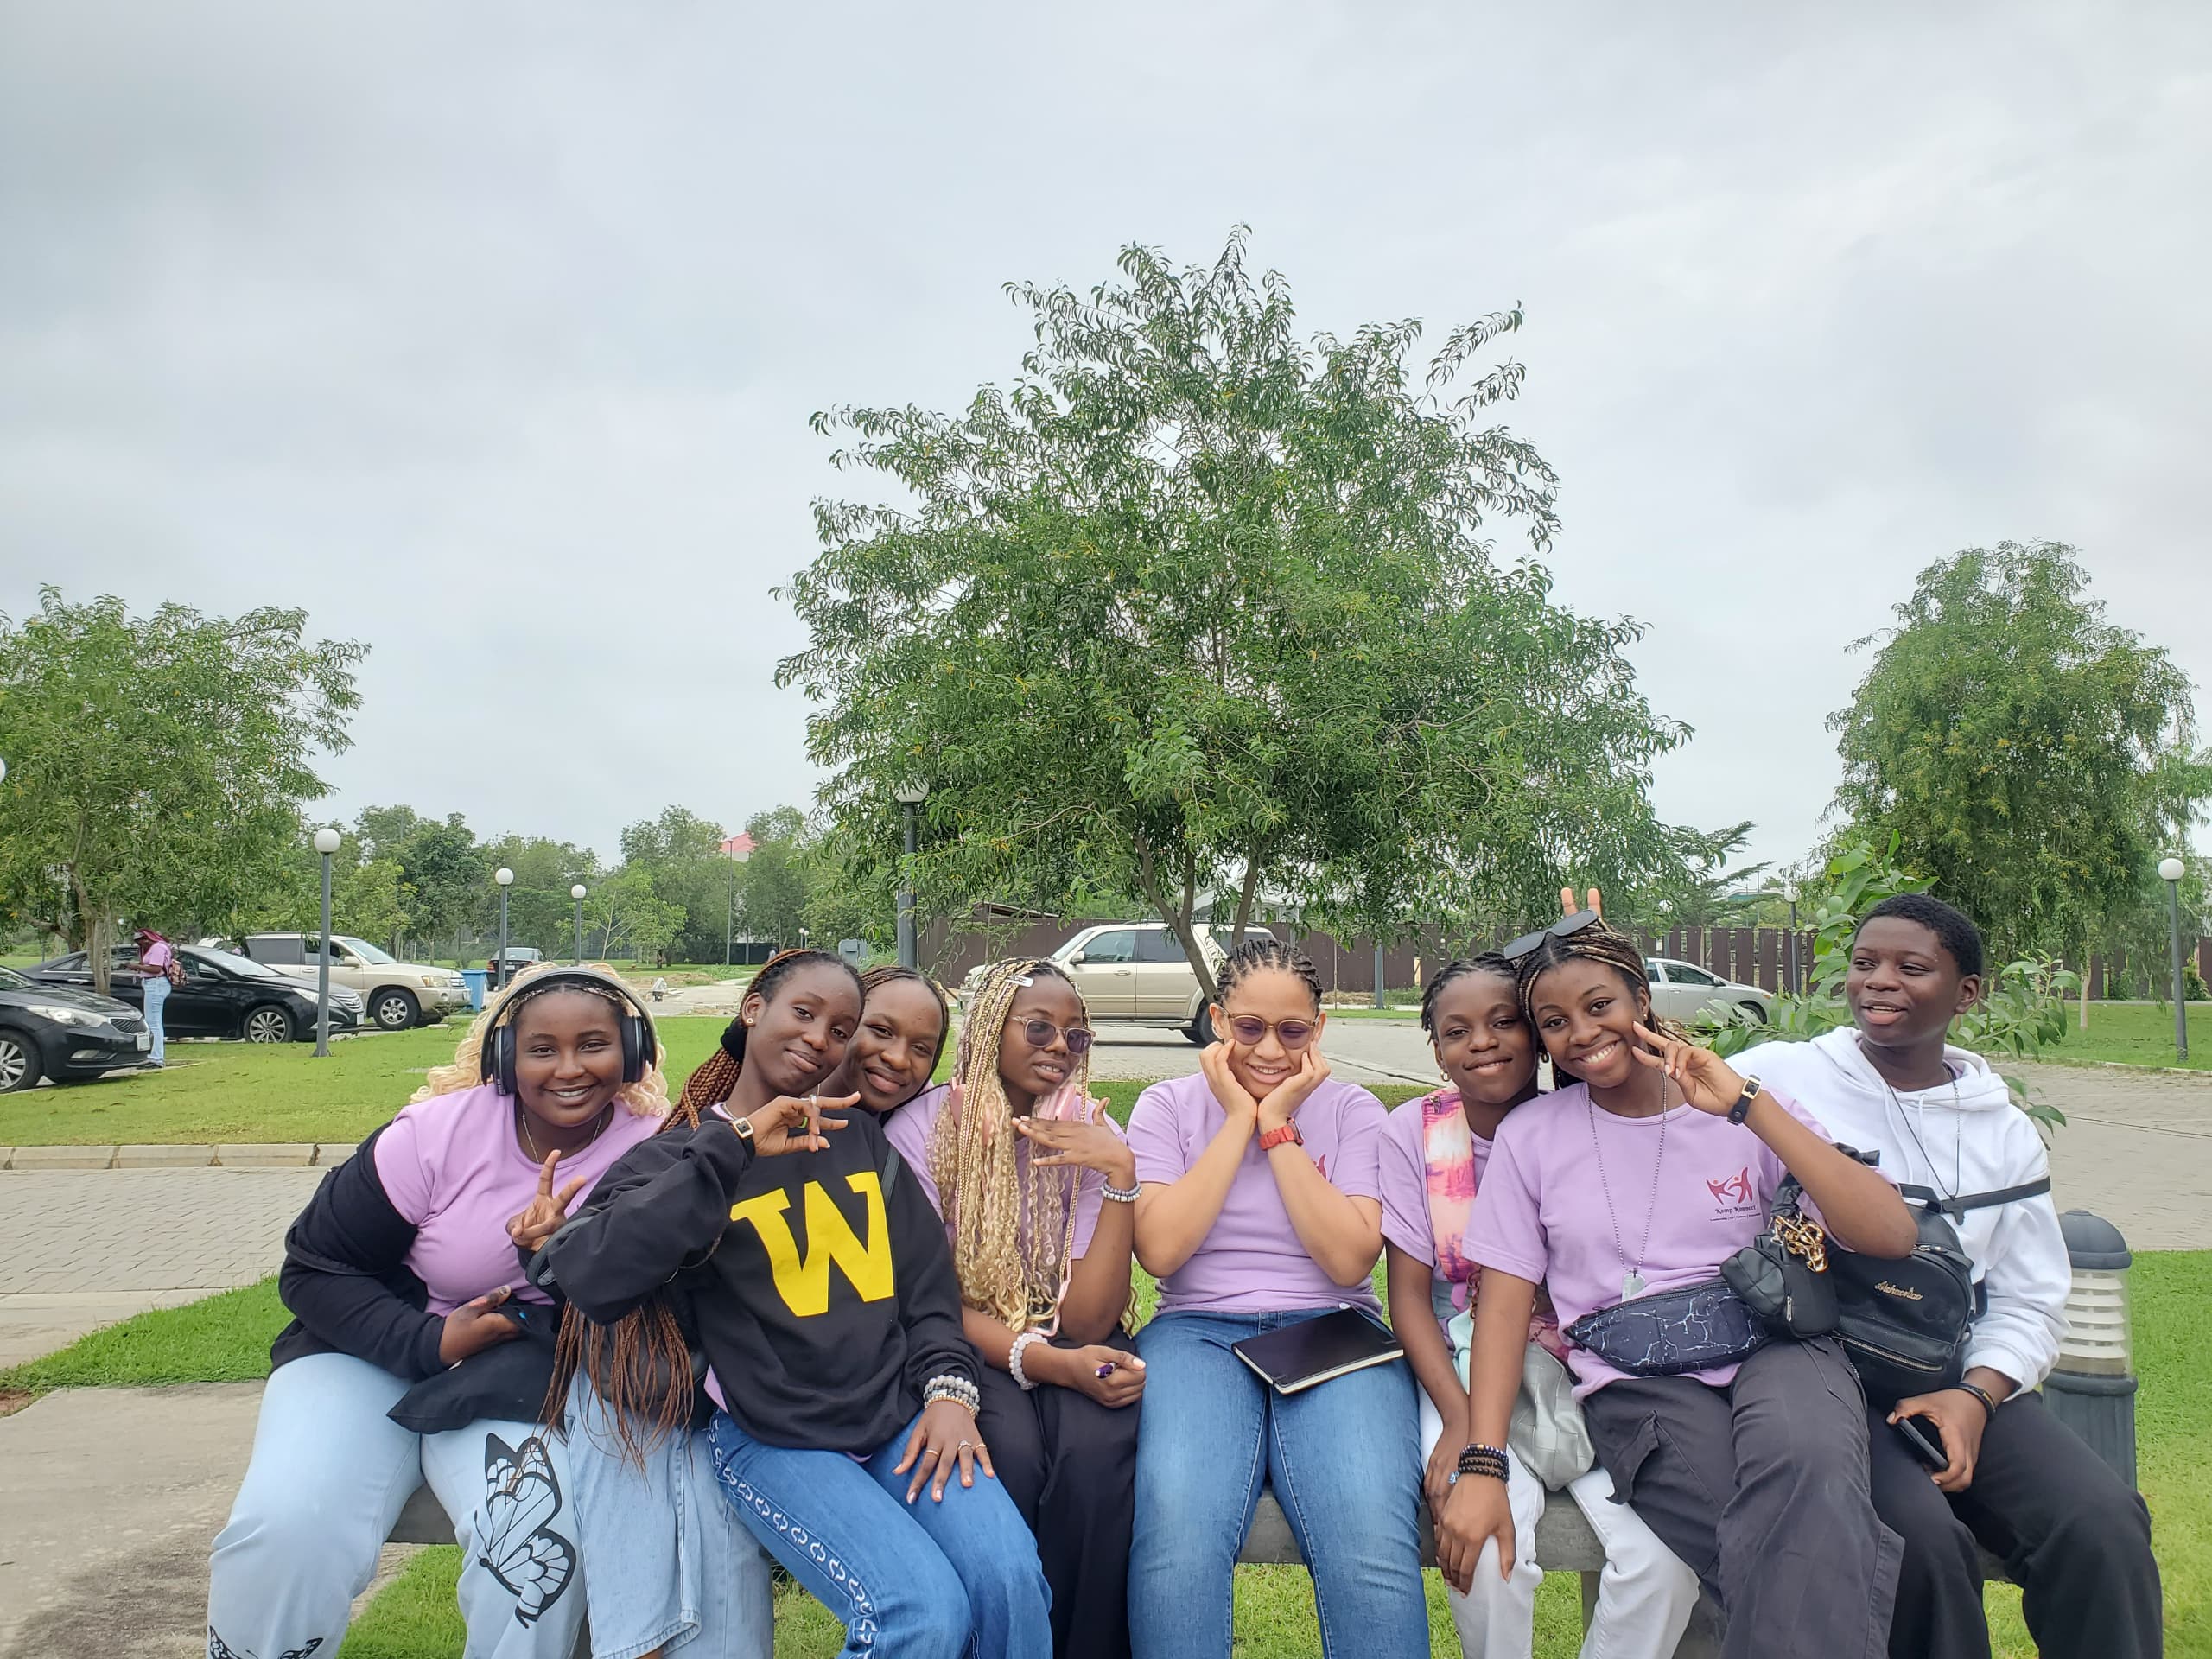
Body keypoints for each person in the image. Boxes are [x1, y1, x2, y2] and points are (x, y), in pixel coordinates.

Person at [534, 949, 1051, 1659]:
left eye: (841, 1029)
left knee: (1012, 1579)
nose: (819, 1038)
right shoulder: (682, 1155)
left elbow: (928, 1299)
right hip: (773, 1438)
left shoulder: (865, 1141)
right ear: (754, 1010)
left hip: (895, 1422)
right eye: (803, 1013)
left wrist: (951, 1398)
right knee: (920, 1614)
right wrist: (734, 1146)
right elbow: (588, 1272)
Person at [1438, 912, 1919, 1659]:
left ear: (1641, 999)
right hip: (1636, 1379)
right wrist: (1483, 1461)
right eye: (1554, 1021)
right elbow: (1501, 1307)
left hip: (1777, 1341)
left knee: (1815, 1475)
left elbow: (1889, 1235)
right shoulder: (1534, 1138)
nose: (1583, 1033)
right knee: (1784, 1534)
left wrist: (1746, 1106)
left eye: (1601, 1005)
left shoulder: (1736, 1104)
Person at [1736, 893, 2161, 1659]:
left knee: (2101, 1523)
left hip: (1954, 1377)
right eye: (1864, 964)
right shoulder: (1782, 1075)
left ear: (1967, 993)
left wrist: (1976, 1396)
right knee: (1920, 1547)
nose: (1879, 982)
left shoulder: (2004, 1134)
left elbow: (2032, 1296)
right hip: (1826, 1380)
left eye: (1911, 967)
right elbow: (1643, 1095)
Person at [206, 963, 668, 1659]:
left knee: (536, 1543)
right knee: (286, 1527)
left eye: (594, 1044)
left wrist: (561, 1258)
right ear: (506, 1054)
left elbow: (651, 1310)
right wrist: (430, 1340)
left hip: (513, 1376)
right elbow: (315, 1268)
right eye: (542, 1049)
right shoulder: (432, 1135)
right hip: (360, 1354)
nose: (569, 1069)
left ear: (632, 1050)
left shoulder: (654, 1150)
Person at [1381, 954, 1698, 1658]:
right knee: (1484, 1539)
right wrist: (1461, 1422)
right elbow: (1409, 1301)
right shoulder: (1418, 1134)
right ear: (1436, 1049)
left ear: (1539, 1034)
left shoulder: (1589, 1119)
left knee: (1664, 1559)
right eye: (1457, 1031)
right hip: (1465, 1366)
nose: (1485, 1042)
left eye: (1506, 1022)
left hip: (1595, 1367)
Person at [1125, 938, 1429, 1659]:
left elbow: (1350, 1257)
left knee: (1367, 1529)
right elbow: (1162, 1251)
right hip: (1196, 1328)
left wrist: (1279, 1126)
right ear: (1218, 1020)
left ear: (1317, 1031)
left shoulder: (1354, 1111)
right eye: (1248, 1027)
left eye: (1291, 1031)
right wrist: (1236, 1120)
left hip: (1334, 1329)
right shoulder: (1166, 1106)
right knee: (1177, 1525)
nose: (1268, 1049)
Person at [884, 957, 1144, 1659]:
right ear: (992, 1029)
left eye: (1076, 1036)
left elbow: (1089, 1322)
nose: (1059, 1046)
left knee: (1095, 1461)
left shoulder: (1091, 1133)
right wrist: (1047, 1363)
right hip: (961, 1341)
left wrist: (1117, 1171)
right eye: (1039, 1027)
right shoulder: (923, 1130)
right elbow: (927, 1298)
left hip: (1070, 1331)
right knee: (1012, 1459)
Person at [831, 964, 954, 1116]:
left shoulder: (925, 1127)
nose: (898, 1060)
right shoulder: (794, 1099)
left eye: (920, 1048)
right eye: (882, 1031)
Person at [133, 927, 175, 1065]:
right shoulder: (153, 948)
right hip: (153, 984)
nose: (140, 945)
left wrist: (137, 967)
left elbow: (156, 969)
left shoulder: (158, 947)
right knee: (153, 1021)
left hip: (156, 984)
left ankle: (156, 1058)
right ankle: (155, 1056)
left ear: (148, 939)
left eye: (141, 942)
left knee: (154, 1023)